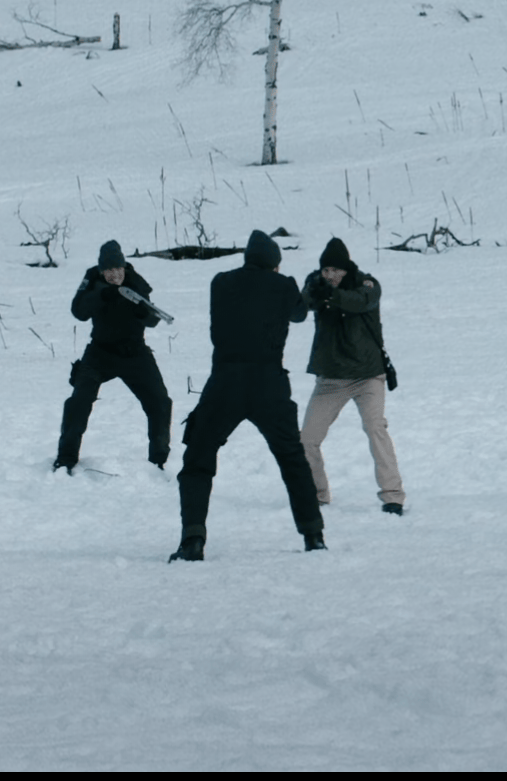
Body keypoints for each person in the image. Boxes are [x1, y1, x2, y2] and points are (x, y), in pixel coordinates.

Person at [171, 231, 326, 561]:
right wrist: (306, 287)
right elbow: (299, 313)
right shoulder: (283, 285)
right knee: (292, 460)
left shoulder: (220, 282)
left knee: (198, 459)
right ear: (274, 263)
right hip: (269, 384)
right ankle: (313, 535)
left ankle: (193, 540)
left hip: (224, 383)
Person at [300, 237, 406, 516]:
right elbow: (300, 308)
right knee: (307, 439)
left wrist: (330, 295)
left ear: (346, 269)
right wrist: (311, 291)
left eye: (336, 270)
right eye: (326, 270)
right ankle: (316, 495)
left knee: (375, 429)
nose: (330, 275)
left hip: (368, 376)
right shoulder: (316, 284)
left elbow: (359, 302)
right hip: (331, 380)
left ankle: (393, 496)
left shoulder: (367, 284)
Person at [54, 240, 172, 474]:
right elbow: (79, 312)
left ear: (124, 267)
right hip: (100, 353)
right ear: (101, 271)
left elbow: (153, 319)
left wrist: (142, 313)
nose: (114, 275)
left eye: (118, 269)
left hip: (135, 354)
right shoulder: (92, 280)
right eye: (109, 271)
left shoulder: (136, 282)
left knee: (160, 402)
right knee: (78, 402)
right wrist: (102, 296)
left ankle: (158, 462)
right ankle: (65, 459)